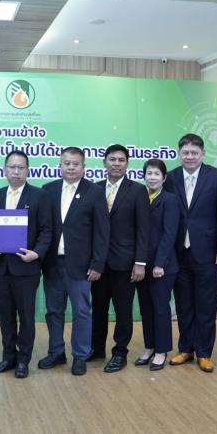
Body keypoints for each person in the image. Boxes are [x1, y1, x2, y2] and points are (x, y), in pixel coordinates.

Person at [164, 133, 217, 373]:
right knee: (183, 306)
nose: (190, 156)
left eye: (194, 152)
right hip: (178, 254)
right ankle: (185, 349)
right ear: (179, 154)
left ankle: (204, 352)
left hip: (209, 254)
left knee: (206, 305)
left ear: (203, 154)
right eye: (185, 152)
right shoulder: (170, 177)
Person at [39, 146, 109, 376]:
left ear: (83, 166)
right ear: (60, 165)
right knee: (53, 311)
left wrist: (97, 264)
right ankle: (56, 352)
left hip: (81, 265)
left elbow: (102, 232)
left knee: (81, 311)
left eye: (75, 164)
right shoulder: (48, 190)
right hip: (52, 263)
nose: (70, 167)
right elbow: (42, 227)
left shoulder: (94, 192)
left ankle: (80, 355)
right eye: (66, 163)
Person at [0, 150, 52, 379]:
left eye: (21, 167)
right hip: (2, 267)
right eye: (12, 167)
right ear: (5, 170)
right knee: (4, 314)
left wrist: (37, 253)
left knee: (26, 316)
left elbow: (47, 229)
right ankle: (8, 357)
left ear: (27, 170)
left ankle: (24, 359)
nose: (16, 171)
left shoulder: (40, 196)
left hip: (27, 267)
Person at [90, 144, 149, 373]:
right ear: (104, 162)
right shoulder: (94, 189)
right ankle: (96, 349)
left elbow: (143, 229)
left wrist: (140, 263)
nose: (116, 163)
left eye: (121, 160)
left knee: (123, 310)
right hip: (98, 263)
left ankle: (119, 353)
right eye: (112, 159)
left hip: (125, 263)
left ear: (127, 164)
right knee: (98, 308)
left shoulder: (137, 191)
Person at [135, 159, 180, 371]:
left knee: (161, 308)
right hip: (141, 264)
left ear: (164, 178)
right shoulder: (140, 197)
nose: (152, 177)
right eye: (149, 173)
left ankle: (161, 351)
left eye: (156, 174)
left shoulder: (170, 200)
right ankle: (149, 347)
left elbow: (170, 234)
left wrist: (160, 263)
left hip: (163, 266)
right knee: (146, 308)